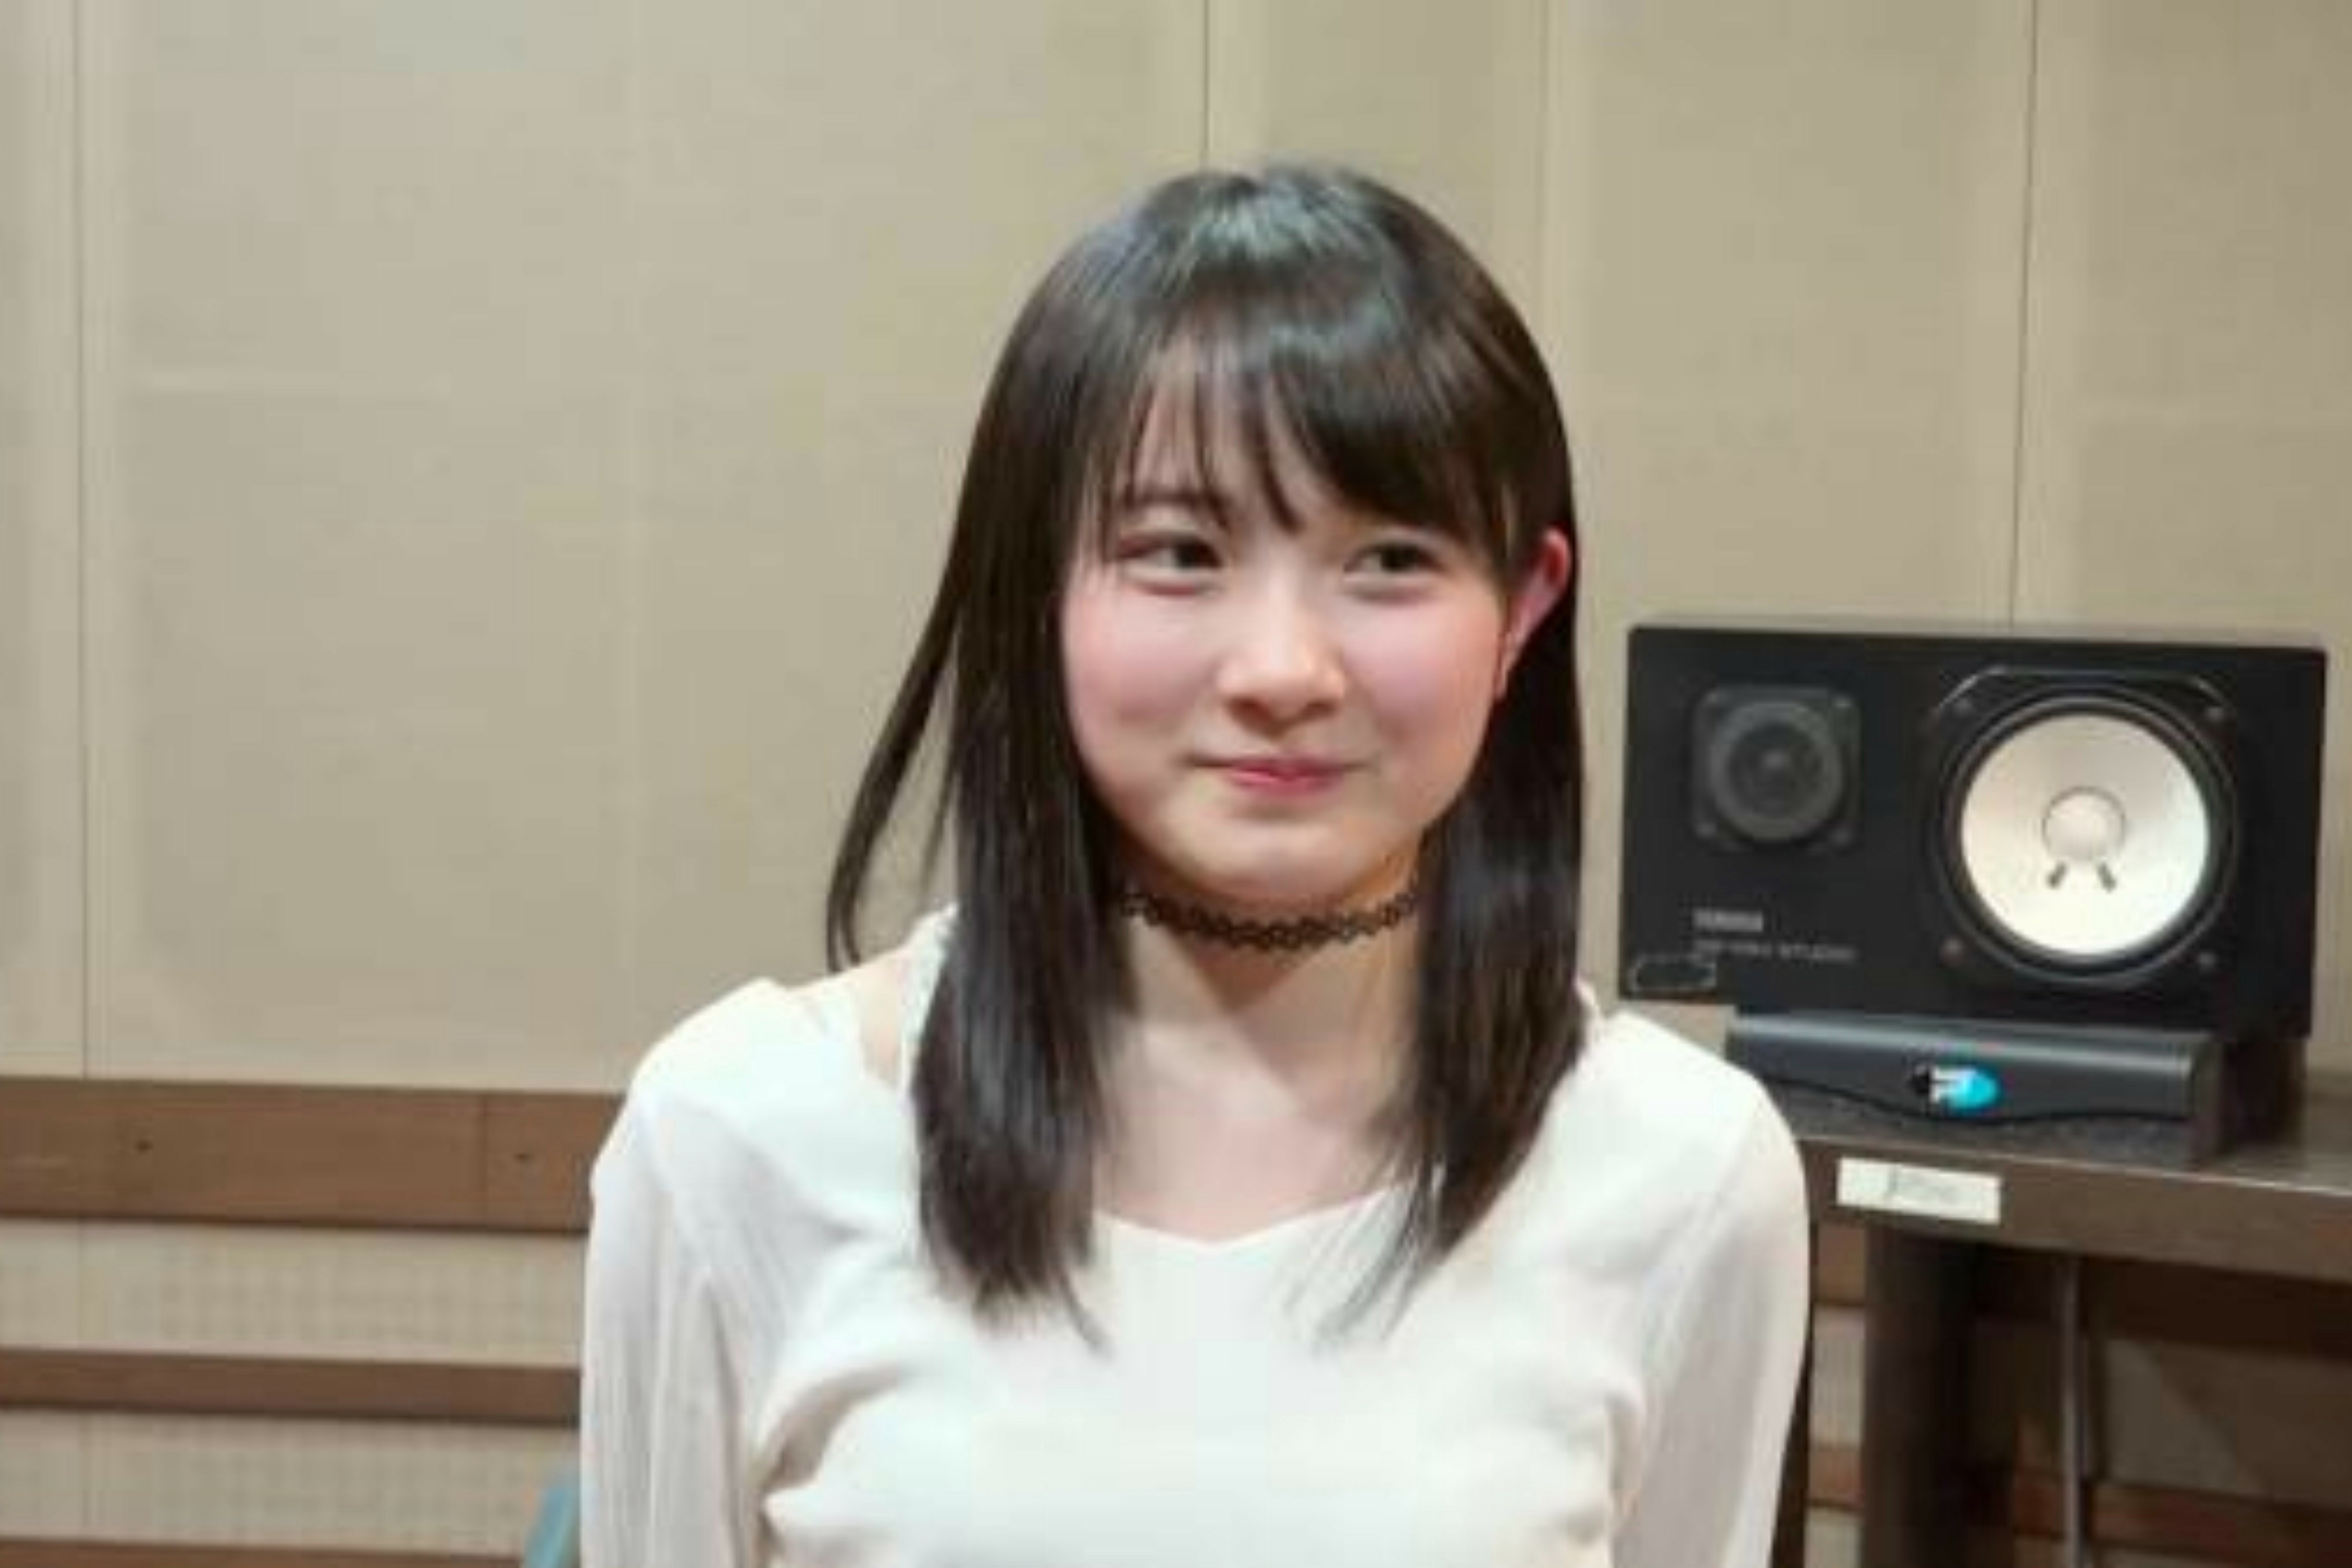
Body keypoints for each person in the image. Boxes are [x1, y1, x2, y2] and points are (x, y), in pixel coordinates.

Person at [581, 164, 1809, 1568]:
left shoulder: (1685, 1175)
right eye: (1178, 551)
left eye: (1389, 559)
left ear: (1523, 608)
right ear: (1037, 586)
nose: (1283, 669)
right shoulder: (739, 1137)